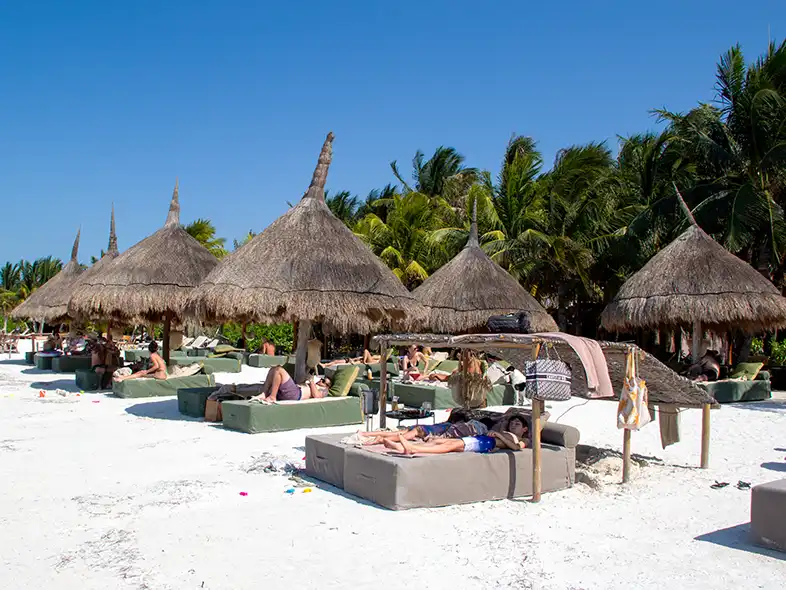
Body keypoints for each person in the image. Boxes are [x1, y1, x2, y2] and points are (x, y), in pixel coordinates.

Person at [383, 415, 529, 455]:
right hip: (484, 439)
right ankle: (404, 447)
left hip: (487, 443)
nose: (513, 425)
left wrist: (499, 436)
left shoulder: (523, 439)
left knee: (450, 445)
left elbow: (516, 448)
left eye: (517, 424)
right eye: (512, 423)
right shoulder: (504, 430)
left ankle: (414, 449)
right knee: (440, 442)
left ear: (525, 429)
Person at [250, 366, 331, 402]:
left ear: (327, 386)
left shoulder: (325, 390)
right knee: (273, 369)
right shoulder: (314, 384)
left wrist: (311, 380)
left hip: (296, 394)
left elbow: (317, 396)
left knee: (279, 370)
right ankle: (264, 393)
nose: (321, 380)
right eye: (322, 379)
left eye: (324, 381)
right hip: (293, 390)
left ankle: (272, 397)